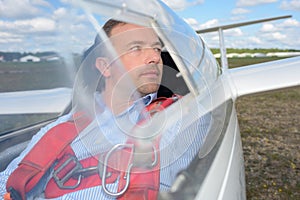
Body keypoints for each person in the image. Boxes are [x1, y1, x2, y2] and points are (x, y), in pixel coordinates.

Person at [0, 19, 210, 200]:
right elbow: (6, 186)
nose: (155, 58)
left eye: (156, 48)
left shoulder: (181, 117)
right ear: (105, 66)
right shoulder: (58, 129)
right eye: (136, 48)